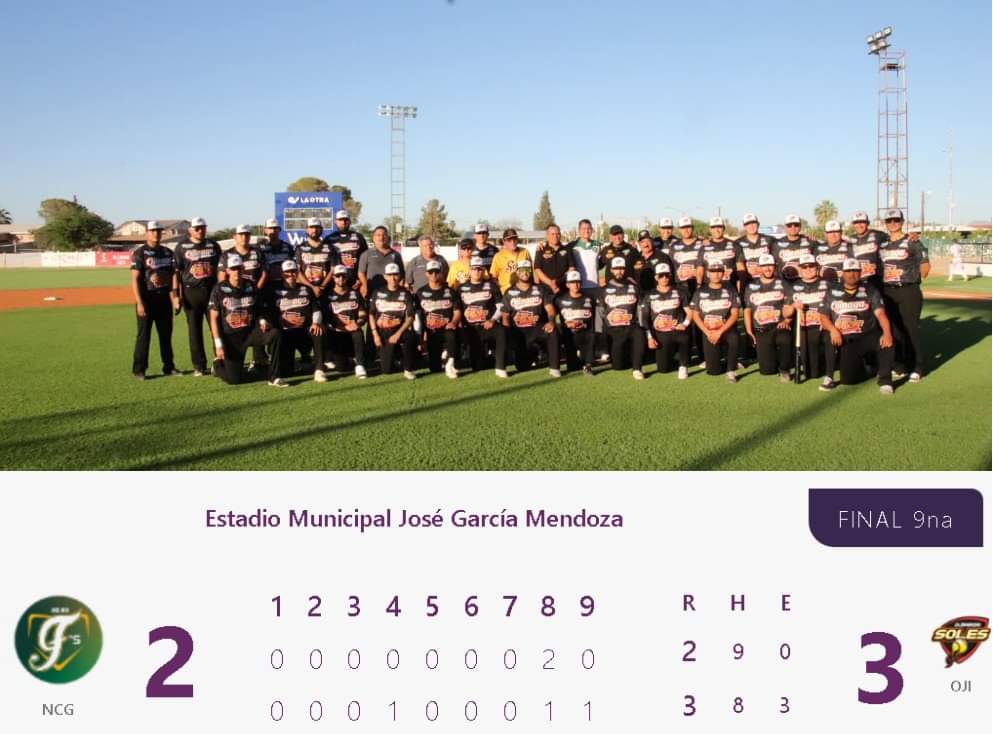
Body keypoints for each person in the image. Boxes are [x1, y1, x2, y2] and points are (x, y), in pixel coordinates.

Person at [819, 258, 896, 395]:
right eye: (848, 271)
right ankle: (869, 369)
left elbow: (880, 314)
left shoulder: (870, 290)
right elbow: (823, 316)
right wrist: (833, 329)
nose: (852, 274)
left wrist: (887, 332)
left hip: (868, 334)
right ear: (843, 273)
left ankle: (885, 380)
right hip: (846, 338)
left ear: (860, 272)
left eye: (855, 271)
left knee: (887, 340)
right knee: (848, 379)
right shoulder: (832, 291)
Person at [207, 254, 285, 387]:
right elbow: (213, 318)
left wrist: (262, 320)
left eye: (239, 268)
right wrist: (218, 343)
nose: (236, 271)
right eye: (233, 269)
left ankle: (274, 376)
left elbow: (259, 308)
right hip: (231, 336)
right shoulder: (219, 289)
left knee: (275, 334)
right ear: (227, 270)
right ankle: (218, 365)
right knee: (234, 379)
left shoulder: (251, 286)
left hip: (250, 332)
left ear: (243, 269)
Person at [877, 208, 930, 382]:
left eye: (896, 220)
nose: (893, 223)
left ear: (902, 221)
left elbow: (925, 265)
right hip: (888, 291)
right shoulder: (883, 244)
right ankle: (900, 365)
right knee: (895, 330)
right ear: (886, 223)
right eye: (889, 221)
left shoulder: (912, 241)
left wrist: (916, 274)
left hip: (908, 289)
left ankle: (918, 366)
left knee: (911, 329)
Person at [130, 221, 181, 379]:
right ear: (147, 233)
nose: (156, 234)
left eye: (158, 231)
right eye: (152, 231)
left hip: (163, 299)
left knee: (166, 336)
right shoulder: (140, 253)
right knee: (143, 336)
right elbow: (135, 279)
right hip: (147, 299)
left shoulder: (167, 252)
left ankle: (169, 367)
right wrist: (139, 302)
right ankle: (139, 369)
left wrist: (175, 297)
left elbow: (174, 275)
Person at [174, 216, 222, 376]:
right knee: (194, 330)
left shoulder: (213, 245)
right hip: (191, 291)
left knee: (216, 327)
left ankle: (219, 360)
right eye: (197, 228)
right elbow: (176, 273)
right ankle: (199, 365)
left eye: (203, 227)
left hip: (211, 290)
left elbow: (221, 269)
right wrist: (176, 295)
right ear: (190, 230)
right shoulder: (182, 247)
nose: (200, 230)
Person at [501, 259, 561, 377]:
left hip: (537, 327)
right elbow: (505, 316)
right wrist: (508, 334)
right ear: (517, 272)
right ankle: (534, 351)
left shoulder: (540, 289)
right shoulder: (509, 292)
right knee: (522, 367)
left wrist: (551, 321)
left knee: (553, 330)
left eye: (528, 270)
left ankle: (555, 368)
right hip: (519, 332)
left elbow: (550, 309)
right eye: (522, 270)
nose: (525, 272)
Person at [270, 260, 326, 382]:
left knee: (319, 331)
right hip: (286, 334)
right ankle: (295, 363)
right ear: (282, 274)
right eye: (287, 272)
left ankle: (319, 369)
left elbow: (316, 310)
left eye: (293, 271)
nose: (290, 275)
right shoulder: (274, 290)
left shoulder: (306, 289)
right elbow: (270, 314)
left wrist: (316, 323)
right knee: (287, 373)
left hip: (305, 331)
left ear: (297, 273)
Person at [742, 254, 794, 381]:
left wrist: (787, 320)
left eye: (770, 265)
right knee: (767, 370)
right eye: (764, 266)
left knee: (785, 338)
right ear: (760, 268)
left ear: (775, 266)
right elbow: (747, 310)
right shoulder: (751, 286)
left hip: (778, 326)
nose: (768, 269)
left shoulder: (783, 284)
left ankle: (784, 368)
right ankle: (773, 359)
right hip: (761, 329)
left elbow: (790, 306)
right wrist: (748, 331)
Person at [688, 261, 741, 382]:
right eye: (713, 272)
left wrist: (720, 332)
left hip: (725, 329)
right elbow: (695, 315)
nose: (716, 275)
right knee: (713, 371)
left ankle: (731, 370)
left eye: (719, 272)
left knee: (734, 337)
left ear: (723, 273)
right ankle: (721, 360)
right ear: (708, 274)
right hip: (709, 331)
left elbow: (735, 314)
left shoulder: (730, 289)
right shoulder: (700, 291)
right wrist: (707, 332)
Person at [639, 262, 691, 379]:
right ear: (656, 277)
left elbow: (689, 312)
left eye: (667, 275)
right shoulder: (649, 295)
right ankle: (674, 356)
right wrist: (650, 337)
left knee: (684, 338)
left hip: (677, 329)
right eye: (661, 275)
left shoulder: (679, 292)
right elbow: (644, 319)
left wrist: (685, 324)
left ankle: (683, 365)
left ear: (670, 276)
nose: (664, 278)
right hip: (660, 333)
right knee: (663, 369)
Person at [458, 256, 507, 377]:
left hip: (488, 325)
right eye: (474, 268)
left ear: (483, 270)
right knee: (476, 366)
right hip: (471, 328)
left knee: (501, 331)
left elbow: (501, 307)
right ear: (470, 270)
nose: (477, 271)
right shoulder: (461, 288)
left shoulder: (491, 286)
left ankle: (500, 366)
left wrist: (493, 320)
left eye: (479, 269)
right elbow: (457, 310)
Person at [789, 253, 832, 388]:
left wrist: (828, 321)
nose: (808, 269)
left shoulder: (828, 284)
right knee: (812, 373)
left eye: (811, 266)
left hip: (823, 326)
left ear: (817, 267)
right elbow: (785, 312)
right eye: (804, 267)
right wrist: (793, 306)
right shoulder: (792, 286)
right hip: (804, 327)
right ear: (800, 269)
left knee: (830, 338)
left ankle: (832, 369)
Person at [369, 263, 417, 379]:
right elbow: (371, 314)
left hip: (399, 330)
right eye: (390, 275)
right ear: (385, 276)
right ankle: (396, 356)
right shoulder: (377, 292)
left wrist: (398, 334)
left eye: (395, 274)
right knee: (386, 370)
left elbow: (410, 317)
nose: (393, 278)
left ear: (399, 276)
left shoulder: (405, 294)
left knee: (409, 336)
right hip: (382, 331)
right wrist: (375, 334)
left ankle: (408, 369)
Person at [416, 260, 461, 378]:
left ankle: (450, 361)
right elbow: (418, 317)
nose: (434, 275)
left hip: (447, 328)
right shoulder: (420, 293)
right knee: (434, 369)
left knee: (451, 334)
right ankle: (444, 355)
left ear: (441, 273)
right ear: (426, 274)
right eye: (431, 272)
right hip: (431, 332)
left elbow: (457, 312)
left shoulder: (450, 292)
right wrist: (421, 336)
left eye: (436, 272)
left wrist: (453, 322)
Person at [602, 257, 645, 379]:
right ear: (611, 270)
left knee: (639, 332)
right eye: (616, 269)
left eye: (621, 268)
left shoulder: (634, 287)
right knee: (618, 366)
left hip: (631, 326)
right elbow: (600, 313)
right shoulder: (604, 289)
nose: (619, 271)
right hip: (614, 329)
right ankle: (628, 355)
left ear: (625, 270)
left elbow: (640, 309)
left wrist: (642, 326)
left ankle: (637, 368)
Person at [325, 264, 369, 379]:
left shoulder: (355, 293)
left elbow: (362, 312)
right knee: (341, 368)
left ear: (347, 277)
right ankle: (348, 356)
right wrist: (342, 327)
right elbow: (327, 318)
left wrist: (358, 322)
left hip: (352, 331)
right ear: (333, 277)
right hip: (337, 333)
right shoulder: (328, 295)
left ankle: (360, 365)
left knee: (358, 333)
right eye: (338, 276)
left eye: (343, 276)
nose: (341, 278)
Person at [554, 270, 597, 375]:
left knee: (591, 336)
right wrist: (565, 324)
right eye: (572, 282)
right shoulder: (559, 299)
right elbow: (553, 316)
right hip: (570, 335)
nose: (576, 285)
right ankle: (576, 358)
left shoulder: (589, 298)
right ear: (567, 285)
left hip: (585, 333)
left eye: (578, 282)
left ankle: (588, 364)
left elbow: (593, 318)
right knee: (573, 368)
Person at [295, 217, 337, 300]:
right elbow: (298, 271)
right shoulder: (300, 248)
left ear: (321, 229)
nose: (314, 230)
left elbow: (333, 269)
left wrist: (322, 286)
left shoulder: (329, 247)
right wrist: (312, 287)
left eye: (317, 227)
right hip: (306, 290)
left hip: (325, 289)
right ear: (306, 229)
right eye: (311, 227)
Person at [357, 225, 404, 298]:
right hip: (372, 292)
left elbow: (401, 274)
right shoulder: (366, 254)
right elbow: (361, 273)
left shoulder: (396, 255)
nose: (381, 237)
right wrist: (364, 285)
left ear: (388, 237)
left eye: (384, 235)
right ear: (374, 238)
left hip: (391, 293)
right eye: (378, 235)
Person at [696, 217, 743, 291]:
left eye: (719, 227)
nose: (717, 230)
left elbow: (741, 269)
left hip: (730, 289)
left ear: (724, 228)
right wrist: (699, 286)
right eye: (714, 227)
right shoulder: (703, 247)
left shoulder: (734, 245)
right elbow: (699, 271)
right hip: (708, 289)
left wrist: (742, 288)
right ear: (710, 229)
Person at [324, 209, 367, 286]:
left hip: (355, 281)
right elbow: (324, 263)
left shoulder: (358, 237)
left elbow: (365, 259)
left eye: (345, 220)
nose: (343, 222)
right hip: (335, 283)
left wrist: (360, 279)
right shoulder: (329, 239)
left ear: (350, 221)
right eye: (340, 220)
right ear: (335, 222)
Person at [734, 213, 775, 287]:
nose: (751, 226)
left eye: (753, 223)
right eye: (748, 224)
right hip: (749, 281)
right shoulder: (738, 243)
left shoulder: (769, 239)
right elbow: (739, 264)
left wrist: (762, 269)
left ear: (758, 224)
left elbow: (777, 261)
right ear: (744, 226)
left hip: (767, 279)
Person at [846, 210, 886, 284]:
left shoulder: (879, 235)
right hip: (858, 281)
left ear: (868, 223)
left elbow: (895, 238)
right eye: (856, 222)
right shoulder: (850, 240)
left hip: (876, 280)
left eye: (862, 222)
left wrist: (909, 235)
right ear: (853, 224)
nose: (859, 225)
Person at [534, 223, 574, 295]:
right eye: (552, 234)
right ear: (547, 235)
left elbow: (571, 268)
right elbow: (537, 269)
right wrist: (551, 283)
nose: (555, 236)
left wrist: (558, 282)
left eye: (557, 234)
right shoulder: (541, 249)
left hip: (564, 290)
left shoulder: (567, 250)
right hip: (545, 291)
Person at [490, 228, 531, 293]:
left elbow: (532, 272)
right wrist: (499, 289)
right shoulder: (498, 256)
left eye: (514, 239)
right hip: (506, 292)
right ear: (504, 241)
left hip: (524, 291)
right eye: (509, 240)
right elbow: (493, 277)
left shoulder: (524, 252)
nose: (512, 242)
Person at [775, 214, 814, 281]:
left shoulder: (810, 242)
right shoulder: (776, 244)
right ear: (785, 227)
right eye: (789, 225)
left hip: (805, 281)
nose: (793, 227)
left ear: (800, 226)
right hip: (785, 281)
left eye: (796, 225)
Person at [260, 218, 295, 288]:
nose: (273, 231)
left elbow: (294, 268)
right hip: (268, 286)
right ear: (265, 230)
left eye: (275, 228)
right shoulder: (260, 249)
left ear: (279, 230)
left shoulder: (288, 247)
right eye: (270, 228)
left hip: (285, 285)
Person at [568, 218, 601, 291]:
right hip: (579, 287)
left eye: (589, 228)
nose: (586, 231)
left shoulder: (597, 244)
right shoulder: (572, 246)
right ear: (579, 230)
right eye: (583, 229)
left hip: (595, 286)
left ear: (591, 230)